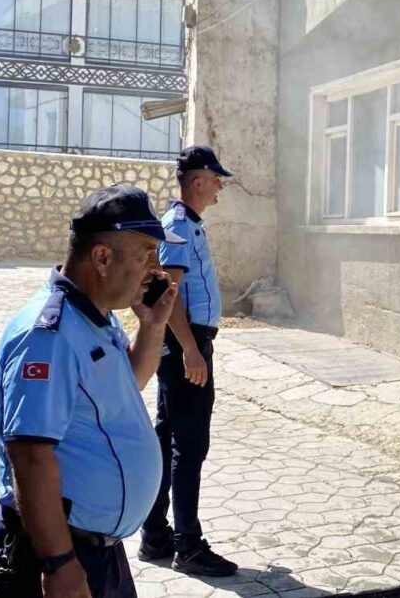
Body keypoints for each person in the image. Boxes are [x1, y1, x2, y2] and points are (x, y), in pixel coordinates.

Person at [0, 184, 180, 598]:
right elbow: (30, 455)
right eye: (144, 254)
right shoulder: (48, 335)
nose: (154, 268)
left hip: (97, 550)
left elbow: (128, 385)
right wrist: (60, 566)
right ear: (102, 257)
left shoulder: (97, 317)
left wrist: (153, 325)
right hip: (58, 554)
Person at [139, 146, 238, 577]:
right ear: (198, 180)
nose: (219, 188)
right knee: (189, 446)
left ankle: (156, 533)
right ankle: (188, 545)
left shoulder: (189, 224)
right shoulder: (178, 224)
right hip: (186, 344)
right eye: (216, 180)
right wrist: (192, 352)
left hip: (185, 343)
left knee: (169, 440)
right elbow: (170, 294)